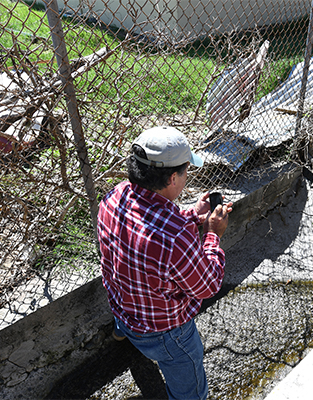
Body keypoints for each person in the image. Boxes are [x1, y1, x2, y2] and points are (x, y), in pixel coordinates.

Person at [97, 126, 232, 400]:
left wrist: (194, 214)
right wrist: (212, 234)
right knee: (190, 392)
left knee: (126, 319)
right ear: (173, 177)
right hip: (165, 334)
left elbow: (155, 221)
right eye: (185, 171)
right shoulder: (175, 237)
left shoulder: (115, 197)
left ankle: (121, 335)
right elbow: (207, 285)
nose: (185, 177)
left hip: (122, 306)